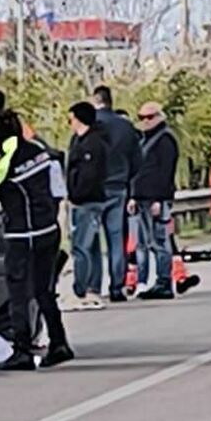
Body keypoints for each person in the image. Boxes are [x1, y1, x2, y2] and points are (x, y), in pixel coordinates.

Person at [0, 110, 74, 371]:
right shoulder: (41, 152)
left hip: (22, 235)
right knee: (44, 292)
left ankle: (21, 350)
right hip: (48, 230)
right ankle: (59, 343)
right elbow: (58, 191)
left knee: (18, 293)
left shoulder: (5, 162)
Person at [89, 86, 142, 303]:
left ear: (95, 100)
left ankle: (93, 285)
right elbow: (138, 160)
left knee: (91, 239)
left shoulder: (90, 125)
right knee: (116, 238)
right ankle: (117, 286)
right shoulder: (126, 127)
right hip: (118, 186)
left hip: (93, 189)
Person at [129, 102, 179, 300]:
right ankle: (149, 282)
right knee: (144, 242)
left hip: (156, 199)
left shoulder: (165, 139)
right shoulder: (144, 140)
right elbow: (139, 170)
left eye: (149, 117)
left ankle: (164, 281)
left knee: (160, 241)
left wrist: (160, 199)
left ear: (159, 117)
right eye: (141, 117)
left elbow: (165, 172)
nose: (145, 122)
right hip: (142, 198)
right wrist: (133, 195)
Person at [67, 102, 109, 310]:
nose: (70, 123)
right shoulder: (80, 140)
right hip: (87, 200)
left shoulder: (92, 144)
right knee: (91, 247)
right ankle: (93, 287)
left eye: (71, 118)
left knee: (81, 247)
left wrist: (76, 194)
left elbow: (89, 175)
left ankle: (81, 289)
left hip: (88, 200)